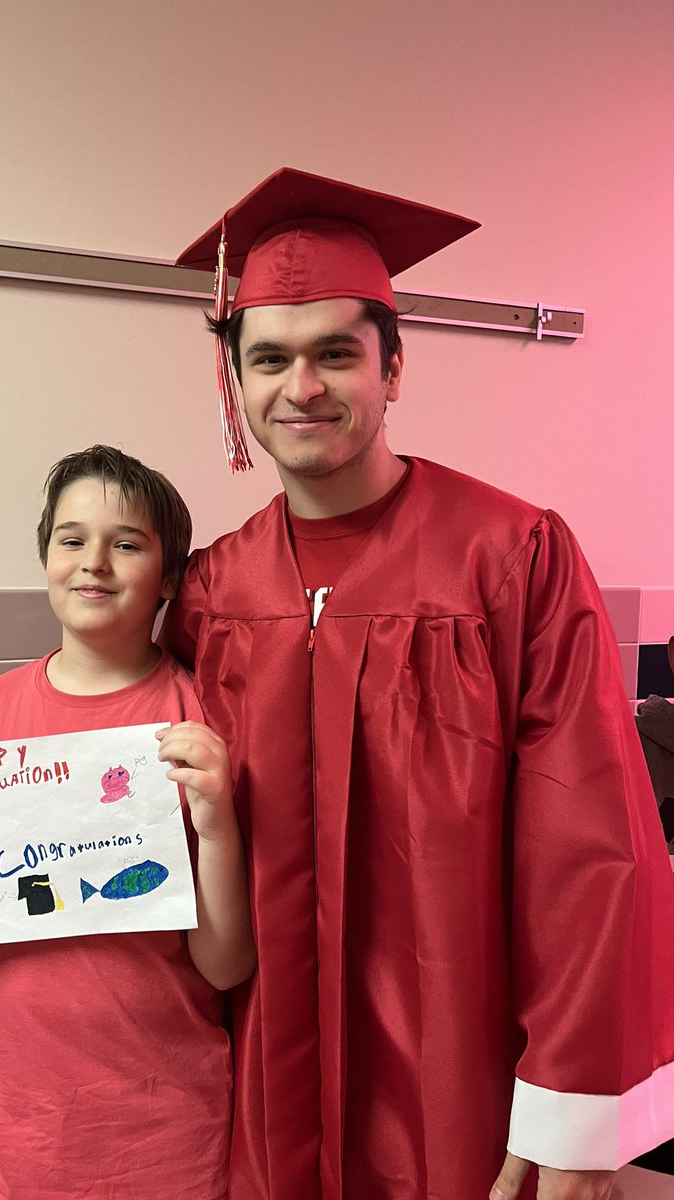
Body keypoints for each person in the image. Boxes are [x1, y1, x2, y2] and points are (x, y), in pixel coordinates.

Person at [161, 168, 674, 1200]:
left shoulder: (510, 555)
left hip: (466, 1092)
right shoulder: (214, 589)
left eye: (336, 354)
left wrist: (574, 1121)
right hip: (269, 1092)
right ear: (237, 383)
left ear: (393, 369)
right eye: (270, 359)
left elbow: (592, 849)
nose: (301, 387)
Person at [0, 445, 256, 1200]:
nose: (95, 563)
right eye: (72, 539)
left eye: (127, 544)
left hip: (157, 1138)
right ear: (45, 555)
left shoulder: (199, 724)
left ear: (170, 576)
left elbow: (225, 967)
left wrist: (217, 824)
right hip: (5, 1129)